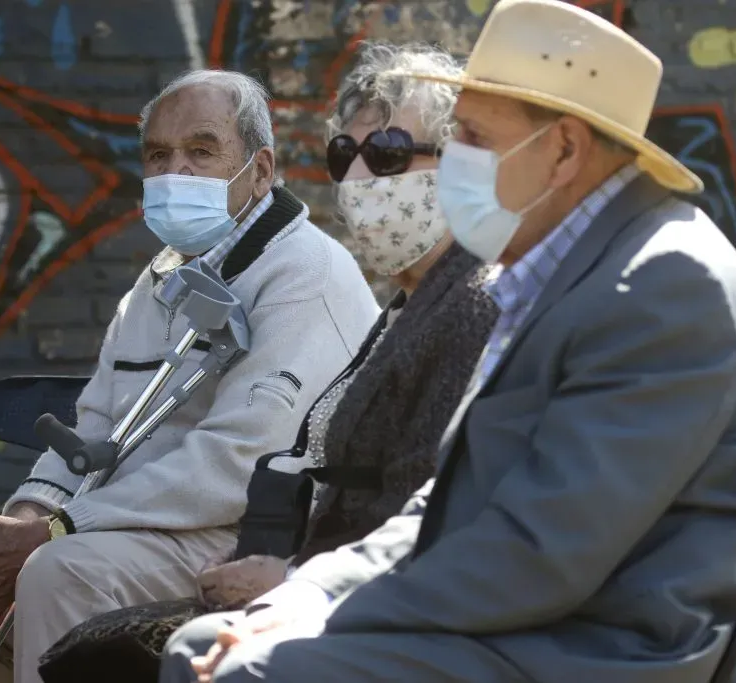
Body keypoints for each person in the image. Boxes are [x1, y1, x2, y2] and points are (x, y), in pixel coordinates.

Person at [160, 2, 736, 683]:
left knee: (246, 672)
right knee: (202, 645)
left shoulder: (664, 283)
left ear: (563, 149)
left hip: (610, 650)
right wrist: (306, 593)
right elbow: (449, 508)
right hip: (537, 624)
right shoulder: (559, 267)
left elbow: (543, 555)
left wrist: (325, 619)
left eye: (471, 134)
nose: (453, 159)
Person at [33, 41, 499, 683]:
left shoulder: (472, 309)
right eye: (346, 154)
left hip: (368, 605)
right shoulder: (405, 310)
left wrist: (296, 580)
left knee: (91, 593)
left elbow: (429, 509)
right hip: (298, 568)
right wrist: (33, 511)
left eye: (389, 153)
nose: (361, 179)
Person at [0, 69, 381, 683]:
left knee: (58, 570)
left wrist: (59, 529)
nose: (175, 171)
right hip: (124, 527)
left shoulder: (305, 276)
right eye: (158, 155)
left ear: (260, 171)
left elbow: (235, 468)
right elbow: (92, 425)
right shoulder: (164, 277)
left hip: (238, 535)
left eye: (201, 151)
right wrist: (24, 518)